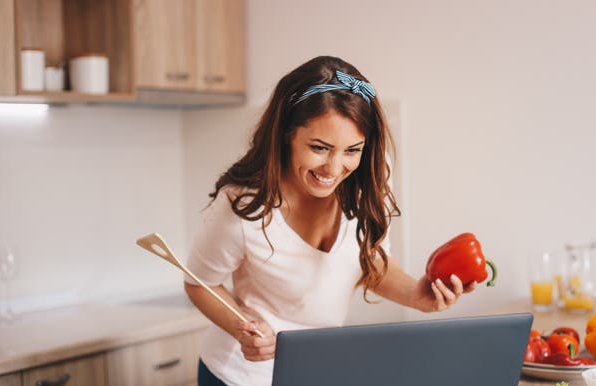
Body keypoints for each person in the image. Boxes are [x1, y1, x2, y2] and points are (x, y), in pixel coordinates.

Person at [184, 55, 477, 386]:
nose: (334, 169)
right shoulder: (244, 206)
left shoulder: (368, 182)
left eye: (352, 150)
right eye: (320, 148)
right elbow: (199, 282)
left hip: (317, 371)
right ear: (286, 135)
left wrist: (415, 294)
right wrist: (241, 325)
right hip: (240, 374)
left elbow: (368, 259)